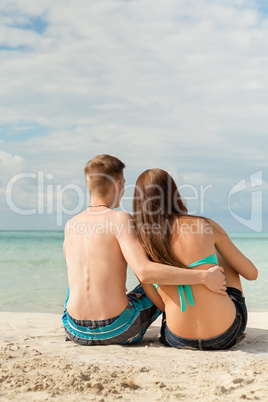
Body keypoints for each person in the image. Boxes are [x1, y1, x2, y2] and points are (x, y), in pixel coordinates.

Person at [62, 155, 226, 346]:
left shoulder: (71, 224)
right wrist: (203, 277)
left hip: (74, 330)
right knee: (157, 282)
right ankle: (180, 322)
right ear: (117, 185)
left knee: (74, 283)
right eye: (123, 184)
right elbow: (144, 272)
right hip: (117, 329)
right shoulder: (120, 218)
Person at [133, 168, 258, 350]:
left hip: (177, 338)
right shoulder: (205, 225)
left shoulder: (142, 243)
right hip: (225, 334)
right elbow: (251, 274)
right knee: (224, 256)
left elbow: (161, 304)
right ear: (174, 193)